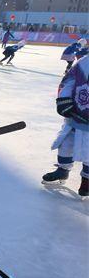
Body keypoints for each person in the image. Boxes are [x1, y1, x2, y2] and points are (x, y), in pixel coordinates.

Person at [42, 56, 88, 198]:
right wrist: (64, 100)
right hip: (75, 115)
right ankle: (63, 170)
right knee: (66, 144)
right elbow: (69, 80)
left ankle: (87, 180)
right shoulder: (84, 62)